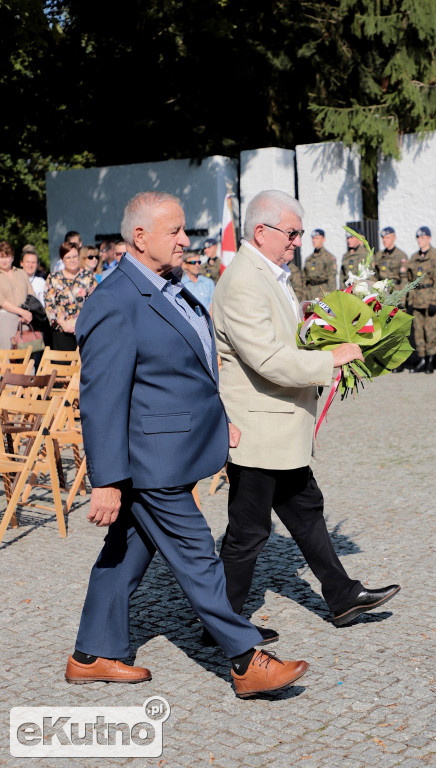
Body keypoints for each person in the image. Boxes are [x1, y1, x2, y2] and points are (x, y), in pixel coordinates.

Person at [65, 190, 308, 698]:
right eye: (174, 231)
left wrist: (219, 423)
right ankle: (245, 660)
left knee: (128, 550)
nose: (184, 239)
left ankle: (91, 654)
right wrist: (106, 481)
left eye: (182, 230)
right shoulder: (115, 301)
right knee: (197, 553)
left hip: (170, 450)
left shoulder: (170, 286)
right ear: (140, 237)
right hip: (152, 461)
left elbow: (185, 373)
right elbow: (102, 400)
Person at [211, 189, 400, 639]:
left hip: (280, 425)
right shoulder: (242, 280)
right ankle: (220, 624)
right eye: (291, 232)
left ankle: (341, 594)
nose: (298, 240)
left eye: (299, 232)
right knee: (248, 533)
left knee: (306, 509)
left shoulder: (269, 274)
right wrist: (331, 359)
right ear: (261, 231)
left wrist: (320, 327)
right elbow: (268, 359)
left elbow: (284, 338)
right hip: (259, 428)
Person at [45, 242, 96, 350]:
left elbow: (95, 303)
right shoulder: (54, 278)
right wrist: (63, 324)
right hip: (62, 331)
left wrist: (83, 323)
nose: (72, 260)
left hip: (84, 329)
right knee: (64, 365)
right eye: (68, 257)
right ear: (62, 259)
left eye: (74, 256)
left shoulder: (88, 277)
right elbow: (49, 305)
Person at [406, 227, 436, 373]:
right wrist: (409, 300)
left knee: (431, 331)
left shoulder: (435, 255)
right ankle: (421, 358)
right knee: (419, 331)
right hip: (417, 300)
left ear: (429, 238)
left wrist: (434, 301)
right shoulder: (414, 257)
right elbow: (410, 280)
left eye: (423, 238)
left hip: (429, 300)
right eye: (418, 238)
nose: (420, 241)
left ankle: (430, 360)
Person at [0, 240, 35, 349]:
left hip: (26, 320)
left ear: (12, 257)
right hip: (6, 319)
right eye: (1, 257)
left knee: (28, 353)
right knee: (9, 354)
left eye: (7, 256)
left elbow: (31, 295)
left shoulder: (22, 273)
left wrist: (27, 313)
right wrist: (21, 312)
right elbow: (2, 301)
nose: (4, 260)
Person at [302, 228, 337, 297]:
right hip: (309, 293)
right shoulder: (309, 259)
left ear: (323, 239)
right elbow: (304, 279)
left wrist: (331, 297)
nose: (314, 241)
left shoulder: (329, 257)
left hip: (323, 293)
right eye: (313, 238)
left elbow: (332, 280)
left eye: (317, 238)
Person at [374, 227, 408, 296]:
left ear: (394, 238)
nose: (384, 240)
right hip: (381, 292)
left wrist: (402, 297)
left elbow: (404, 279)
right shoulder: (379, 255)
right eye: (383, 238)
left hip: (395, 292)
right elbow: (374, 275)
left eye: (387, 238)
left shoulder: (401, 255)